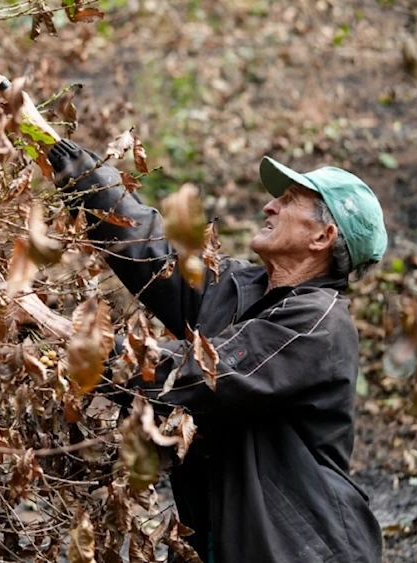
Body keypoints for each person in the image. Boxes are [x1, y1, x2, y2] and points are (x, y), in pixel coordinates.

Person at [46, 140, 386, 563]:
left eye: (289, 201)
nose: (269, 206)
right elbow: (151, 248)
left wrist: (72, 339)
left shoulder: (320, 324)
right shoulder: (243, 289)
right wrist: (64, 157)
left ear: (323, 236)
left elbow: (199, 376)